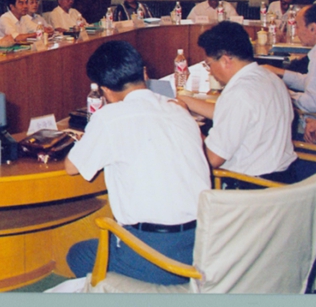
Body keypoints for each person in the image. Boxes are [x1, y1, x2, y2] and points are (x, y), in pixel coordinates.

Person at [64, 41, 210, 285]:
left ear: (105, 91)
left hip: (156, 253)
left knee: (78, 255)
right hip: (204, 246)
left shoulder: (109, 117)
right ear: (144, 73)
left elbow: (71, 167)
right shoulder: (177, 109)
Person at [177, 22, 297, 183]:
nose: (210, 71)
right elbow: (234, 114)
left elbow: (211, 159)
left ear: (225, 61)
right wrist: (186, 101)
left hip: (249, 186)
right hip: (283, 180)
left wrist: (186, 122)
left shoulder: (239, 93)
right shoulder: (269, 77)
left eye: (209, 64)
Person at [263, 3, 316, 127]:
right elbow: (311, 82)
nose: (296, 32)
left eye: (298, 27)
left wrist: (281, 91)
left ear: (313, 28)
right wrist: (279, 72)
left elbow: (313, 103)